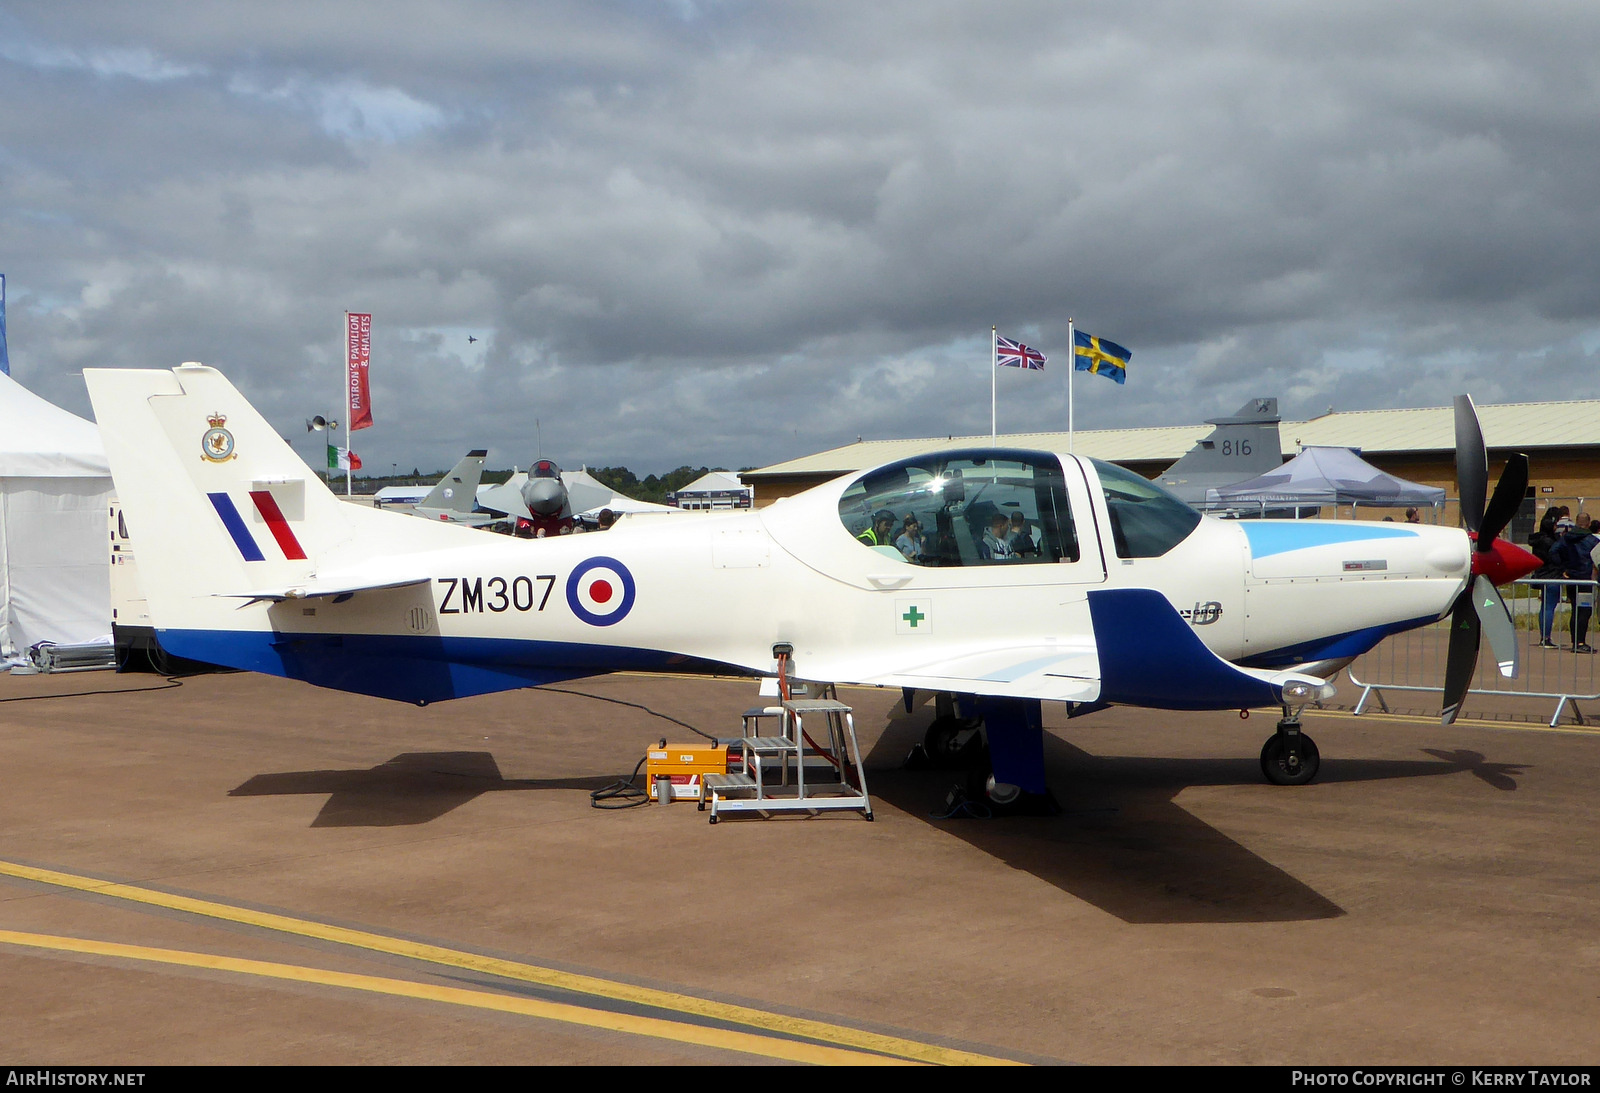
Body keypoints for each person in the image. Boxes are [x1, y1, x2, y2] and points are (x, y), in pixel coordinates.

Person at [1552, 513, 1597, 653]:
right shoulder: (1592, 541)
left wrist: (1563, 567)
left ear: (1577, 523)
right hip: (1586, 579)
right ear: (1588, 524)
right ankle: (1580, 642)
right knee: (1585, 611)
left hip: (1571, 577)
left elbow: (1553, 551)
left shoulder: (1566, 538)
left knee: (1574, 610)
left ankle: (1575, 641)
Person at [1529, 509, 1564, 649]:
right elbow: (1556, 558)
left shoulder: (1537, 540)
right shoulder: (1551, 542)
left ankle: (1544, 636)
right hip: (1552, 575)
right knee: (1549, 607)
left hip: (1541, 574)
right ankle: (1546, 638)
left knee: (1545, 607)